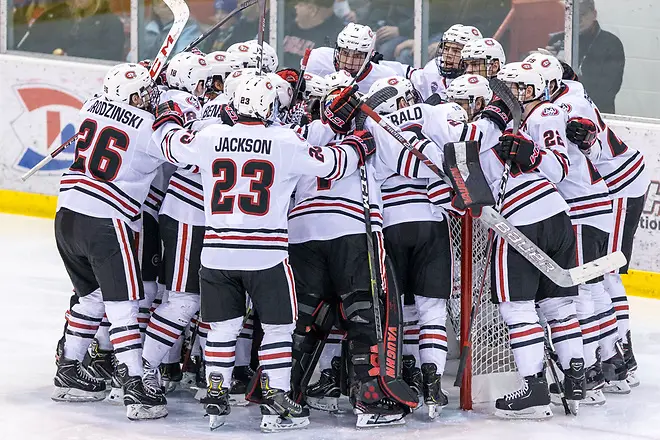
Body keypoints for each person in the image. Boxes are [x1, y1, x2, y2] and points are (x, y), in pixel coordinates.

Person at [150, 75, 375, 431]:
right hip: (266, 254)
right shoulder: (284, 141)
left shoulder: (210, 138)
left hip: (217, 252)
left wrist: (165, 112)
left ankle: (216, 391)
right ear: (269, 107)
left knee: (221, 328)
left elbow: (168, 142)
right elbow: (332, 163)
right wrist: (359, 143)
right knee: (278, 329)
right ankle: (277, 398)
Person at [52, 63, 169, 420]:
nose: (151, 97)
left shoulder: (90, 107)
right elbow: (182, 153)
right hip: (105, 220)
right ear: (133, 96)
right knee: (124, 304)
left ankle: (69, 370)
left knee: (91, 298)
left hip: (65, 214)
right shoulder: (150, 129)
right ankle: (135, 385)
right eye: (145, 92)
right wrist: (172, 116)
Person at [140, 51, 211, 406]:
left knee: (177, 297)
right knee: (182, 299)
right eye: (201, 82)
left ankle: (155, 364)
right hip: (186, 213)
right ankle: (143, 367)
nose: (205, 88)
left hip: (189, 213)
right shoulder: (180, 101)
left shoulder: (184, 102)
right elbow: (174, 147)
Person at [547, 0, 624, 113]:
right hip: (561, 113)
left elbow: (608, 90)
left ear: (594, 14)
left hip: (598, 115)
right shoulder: (558, 41)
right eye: (575, 15)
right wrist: (547, 63)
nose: (578, 19)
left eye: (582, 14)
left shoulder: (611, 44)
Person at [15, 0, 125, 60]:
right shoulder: (57, 16)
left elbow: (112, 55)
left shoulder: (110, 22)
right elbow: (30, 45)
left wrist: (70, 54)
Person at [305, 22, 399, 93]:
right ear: (337, 50)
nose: (349, 62)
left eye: (357, 56)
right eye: (345, 53)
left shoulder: (385, 77)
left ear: (369, 56)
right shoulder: (317, 58)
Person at [281, 0, 345, 69]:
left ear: (313, 10)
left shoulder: (338, 37)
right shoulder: (284, 22)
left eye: (300, 4)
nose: (295, 7)